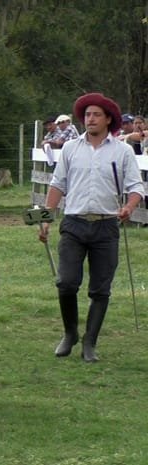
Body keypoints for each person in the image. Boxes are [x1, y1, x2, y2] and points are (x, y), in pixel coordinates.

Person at [38, 92, 145, 363]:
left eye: (96, 115)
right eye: (87, 115)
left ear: (108, 119)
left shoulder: (122, 151)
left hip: (106, 226)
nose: (91, 119)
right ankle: (70, 333)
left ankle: (90, 341)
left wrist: (129, 207)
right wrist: (46, 218)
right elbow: (57, 185)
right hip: (73, 224)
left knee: (100, 289)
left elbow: (136, 187)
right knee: (66, 282)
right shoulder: (71, 149)